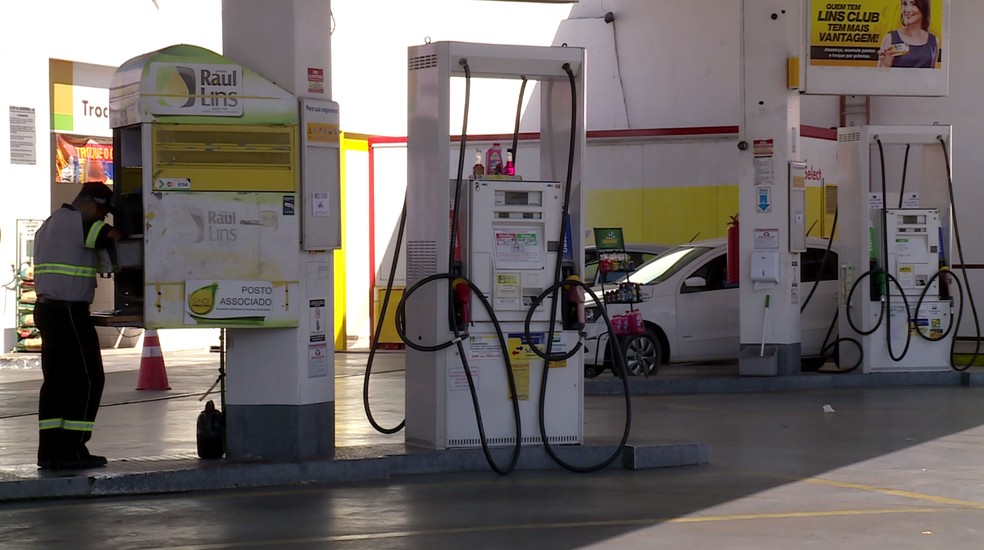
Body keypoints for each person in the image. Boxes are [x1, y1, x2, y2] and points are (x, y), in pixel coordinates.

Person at [33, 181, 125, 470]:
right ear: (91, 203)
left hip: (47, 310)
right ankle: (73, 449)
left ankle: (50, 452)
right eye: (102, 210)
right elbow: (115, 236)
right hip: (69, 313)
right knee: (88, 379)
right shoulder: (81, 224)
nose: (103, 216)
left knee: (57, 383)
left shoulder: (49, 224)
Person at [877, 0, 939, 69]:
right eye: (904, 4)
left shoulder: (933, 41)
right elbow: (879, 76)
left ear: (924, 7)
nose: (907, 10)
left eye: (914, 4)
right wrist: (885, 65)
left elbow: (934, 75)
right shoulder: (890, 38)